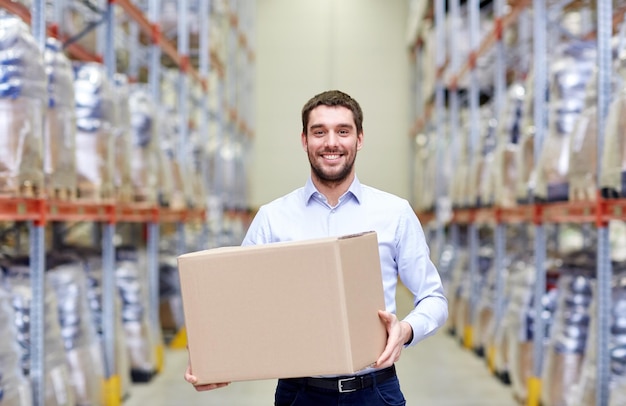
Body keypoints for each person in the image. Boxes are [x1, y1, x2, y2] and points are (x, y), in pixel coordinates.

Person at [185, 89, 448, 405]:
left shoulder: (395, 213)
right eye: (319, 132)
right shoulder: (273, 218)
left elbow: (434, 298)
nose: (331, 142)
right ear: (304, 140)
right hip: (299, 393)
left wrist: (405, 330)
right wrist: (210, 357)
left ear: (359, 139)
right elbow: (236, 306)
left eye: (343, 131)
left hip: (375, 391)